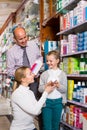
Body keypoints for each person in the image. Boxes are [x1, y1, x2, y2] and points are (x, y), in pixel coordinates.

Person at [6, 26, 43, 98]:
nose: (24, 40)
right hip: (20, 83)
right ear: (15, 39)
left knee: (33, 101)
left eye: (25, 37)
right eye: (20, 39)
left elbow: (39, 58)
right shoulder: (11, 52)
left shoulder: (33, 44)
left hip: (34, 80)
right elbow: (10, 71)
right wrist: (23, 75)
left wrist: (35, 71)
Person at [38, 50, 67, 130]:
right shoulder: (44, 74)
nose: (48, 62)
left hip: (58, 103)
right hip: (46, 103)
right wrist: (46, 85)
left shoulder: (62, 74)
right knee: (47, 126)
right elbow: (40, 89)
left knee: (55, 125)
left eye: (51, 61)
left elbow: (64, 89)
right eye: (47, 61)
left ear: (57, 61)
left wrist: (58, 85)